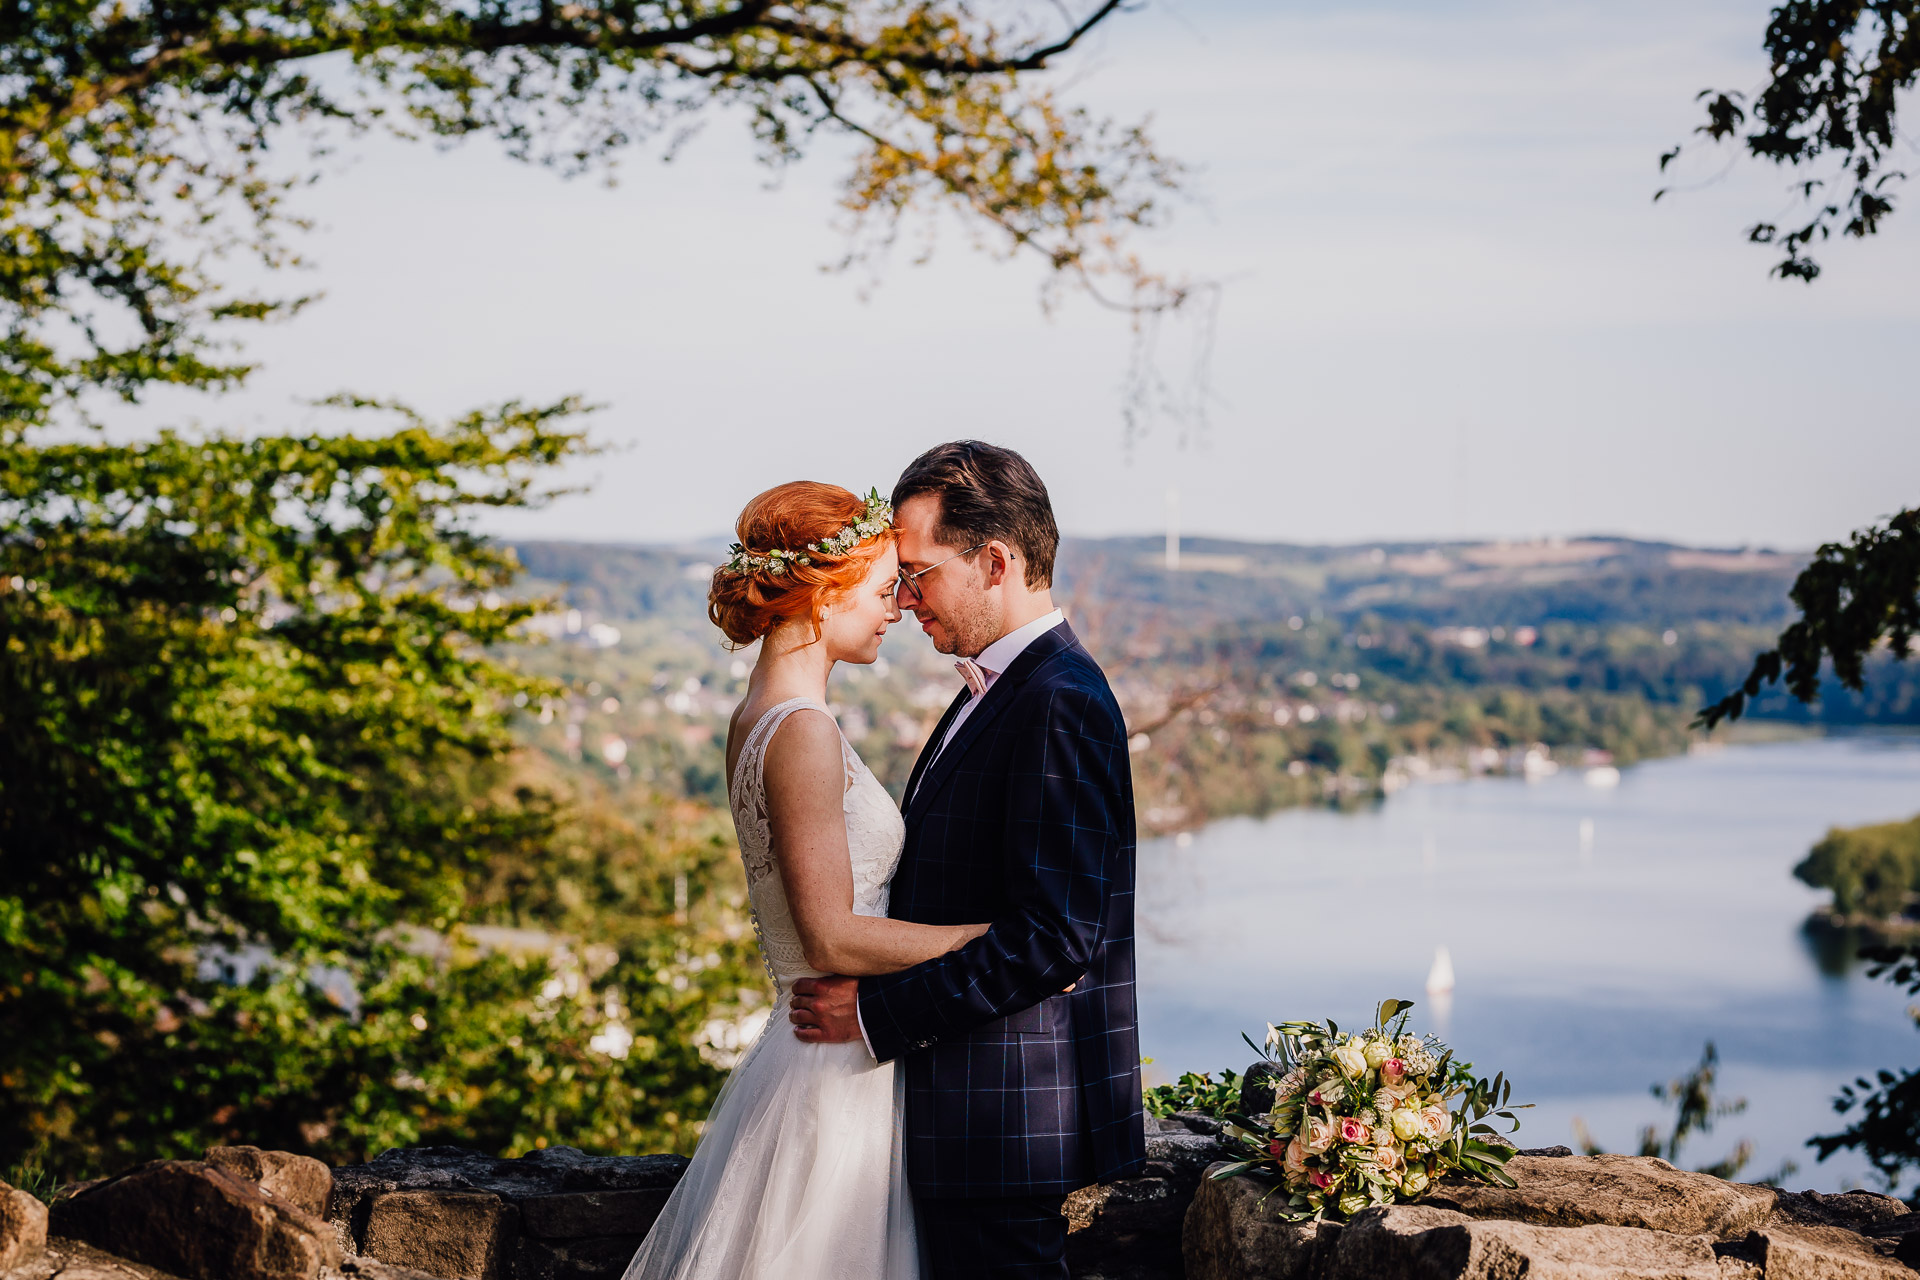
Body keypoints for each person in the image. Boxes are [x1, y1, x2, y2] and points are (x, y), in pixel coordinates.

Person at [789, 442, 1145, 1280]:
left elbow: (1055, 940)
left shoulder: (1060, 700)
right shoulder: (994, 687)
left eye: (917, 573)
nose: (904, 599)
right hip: (969, 1116)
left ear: (995, 561)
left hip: (1005, 1123)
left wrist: (875, 1017)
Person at [623, 480, 988, 1280]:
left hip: (811, 1047)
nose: (897, 608)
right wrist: (985, 940)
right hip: (836, 1067)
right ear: (826, 592)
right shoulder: (803, 731)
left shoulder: (756, 715)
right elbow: (829, 932)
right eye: (885, 588)